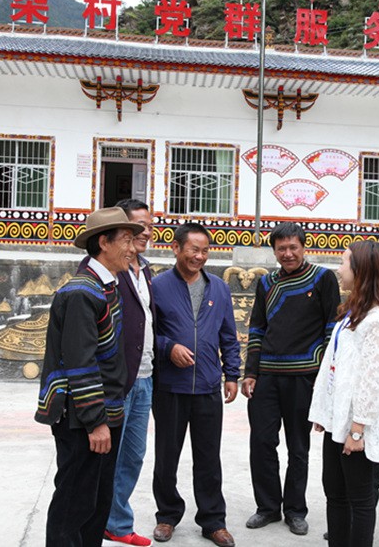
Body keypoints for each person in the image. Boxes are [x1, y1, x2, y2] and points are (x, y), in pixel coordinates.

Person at [35, 207, 144, 547]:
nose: (133, 248)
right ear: (103, 243)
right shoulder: (82, 292)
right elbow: (80, 363)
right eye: (126, 240)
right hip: (82, 417)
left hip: (106, 411)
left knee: (97, 498)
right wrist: (96, 422)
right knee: (75, 499)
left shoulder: (106, 285)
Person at [241, 222, 340, 535]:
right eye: (281, 248)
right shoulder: (266, 282)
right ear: (274, 251)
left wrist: (325, 375)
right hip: (267, 377)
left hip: (304, 377)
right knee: (261, 443)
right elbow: (257, 328)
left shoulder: (323, 278)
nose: (287, 254)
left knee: (298, 447)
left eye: (293, 247)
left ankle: (295, 510)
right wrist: (250, 372)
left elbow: (331, 328)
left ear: (303, 247)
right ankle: (267, 507)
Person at [308, 240, 379, 547]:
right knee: (335, 493)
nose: (339, 269)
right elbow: (334, 365)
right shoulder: (352, 313)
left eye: (344, 263)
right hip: (338, 421)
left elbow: (372, 380)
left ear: (360, 270)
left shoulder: (377, 321)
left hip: (357, 427)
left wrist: (358, 429)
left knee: (360, 499)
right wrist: (325, 412)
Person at [150, 223, 241, 547]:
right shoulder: (157, 286)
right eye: (193, 250)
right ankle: (167, 515)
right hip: (170, 387)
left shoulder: (219, 288)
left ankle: (213, 521)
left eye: (204, 251)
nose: (199, 256)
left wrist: (232, 374)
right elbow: (147, 334)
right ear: (176, 248)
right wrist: (168, 348)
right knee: (166, 457)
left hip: (207, 386)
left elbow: (228, 335)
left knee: (208, 459)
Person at [99, 200, 157, 547]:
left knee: (134, 455)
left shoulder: (146, 270)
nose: (146, 232)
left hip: (145, 376)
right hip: (119, 380)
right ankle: (105, 520)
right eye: (138, 226)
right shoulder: (111, 271)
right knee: (109, 454)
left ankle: (115, 521)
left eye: (149, 225)